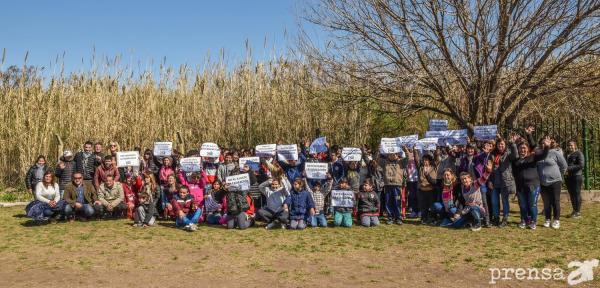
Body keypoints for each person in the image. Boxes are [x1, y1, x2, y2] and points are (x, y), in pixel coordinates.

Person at [512, 132, 547, 230]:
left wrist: (547, 147)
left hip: (533, 185)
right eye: (521, 148)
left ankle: (533, 221)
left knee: (532, 205)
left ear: (527, 149)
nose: (522, 149)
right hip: (520, 187)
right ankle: (524, 220)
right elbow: (514, 173)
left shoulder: (532, 157)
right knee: (523, 205)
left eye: (524, 148)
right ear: (518, 149)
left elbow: (543, 155)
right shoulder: (516, 161)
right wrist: (513, 143)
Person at [537, 136, 567, 229]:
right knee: (546, 202)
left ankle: (556, 220)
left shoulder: (554, 153)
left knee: (555, 201)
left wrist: (559, 175)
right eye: (542, 143)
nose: (543, 145)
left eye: (545, 143)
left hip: (555, 181)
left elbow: (564, 165)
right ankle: (547, 219)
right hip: (542, 182)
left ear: (549, 144)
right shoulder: (538, 154)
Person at [455, 159, 493, 231]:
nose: (464, 180)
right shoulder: (462, 187)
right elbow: (462, 202)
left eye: (466, 178)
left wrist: (488, 171)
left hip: (479, 209)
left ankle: (478, 224)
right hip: (468, 210)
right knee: (457, 225)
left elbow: (483, 178)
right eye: (462, 179)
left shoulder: (475, 184)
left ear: (470, 179)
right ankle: (470, 222)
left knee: (472, 207)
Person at [489, 137, 518, 227]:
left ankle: (505, 219)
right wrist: (490, 180)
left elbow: (515, 155)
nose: (500, 145)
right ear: (496, 145)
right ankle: (496, 218)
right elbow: (489, 168)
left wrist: (513, 144)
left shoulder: (508, 154)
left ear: (505, 145)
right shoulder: (492, 154)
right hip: (494, 181)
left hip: (505, 182)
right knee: (494, 201)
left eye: (502, 144)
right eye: (499, 144)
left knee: (505, 201)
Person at [378, 151, 407, 225]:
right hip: (387, 185)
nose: (393, 155)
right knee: (388, 202)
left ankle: (398, 218)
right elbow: (376, 159)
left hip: (397, 186)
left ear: (397, 155)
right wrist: (379, 150)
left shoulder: (401, 162)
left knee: (397, 202)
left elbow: (408, 158)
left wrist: (405, 149)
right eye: (391, 154)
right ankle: (390, 217)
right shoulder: (384, 162)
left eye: (395, 154)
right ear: (388, 155)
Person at [565, 140, 585, 219]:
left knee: (576, 194)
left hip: (577, 176)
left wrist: (568, 168)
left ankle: (578, 212)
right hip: (569, 177)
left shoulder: (579, 153)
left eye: (571, 145)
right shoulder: (567, 154)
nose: (570, 147)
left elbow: (581, 165)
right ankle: (574, 210)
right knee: (571, 194)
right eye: (569, 145)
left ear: (575, 146)